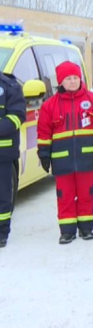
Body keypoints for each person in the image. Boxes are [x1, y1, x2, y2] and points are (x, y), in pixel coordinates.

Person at [37, 62, 93, 244]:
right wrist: (44, 154)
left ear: (80, 79)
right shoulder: (49, 106)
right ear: (61, 82)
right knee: (65, 196)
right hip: (62, 161)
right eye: (68, 79)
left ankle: (86, 229)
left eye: (75, 78)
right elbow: (44, 132)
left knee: (86, 194)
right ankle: (67, 231)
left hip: (87, 159)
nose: (72, 82)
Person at [0, 72, 26, 249]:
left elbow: (17, 116)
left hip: (3, 153)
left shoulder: (9, 85)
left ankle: (1, 233)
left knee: (2, 195)